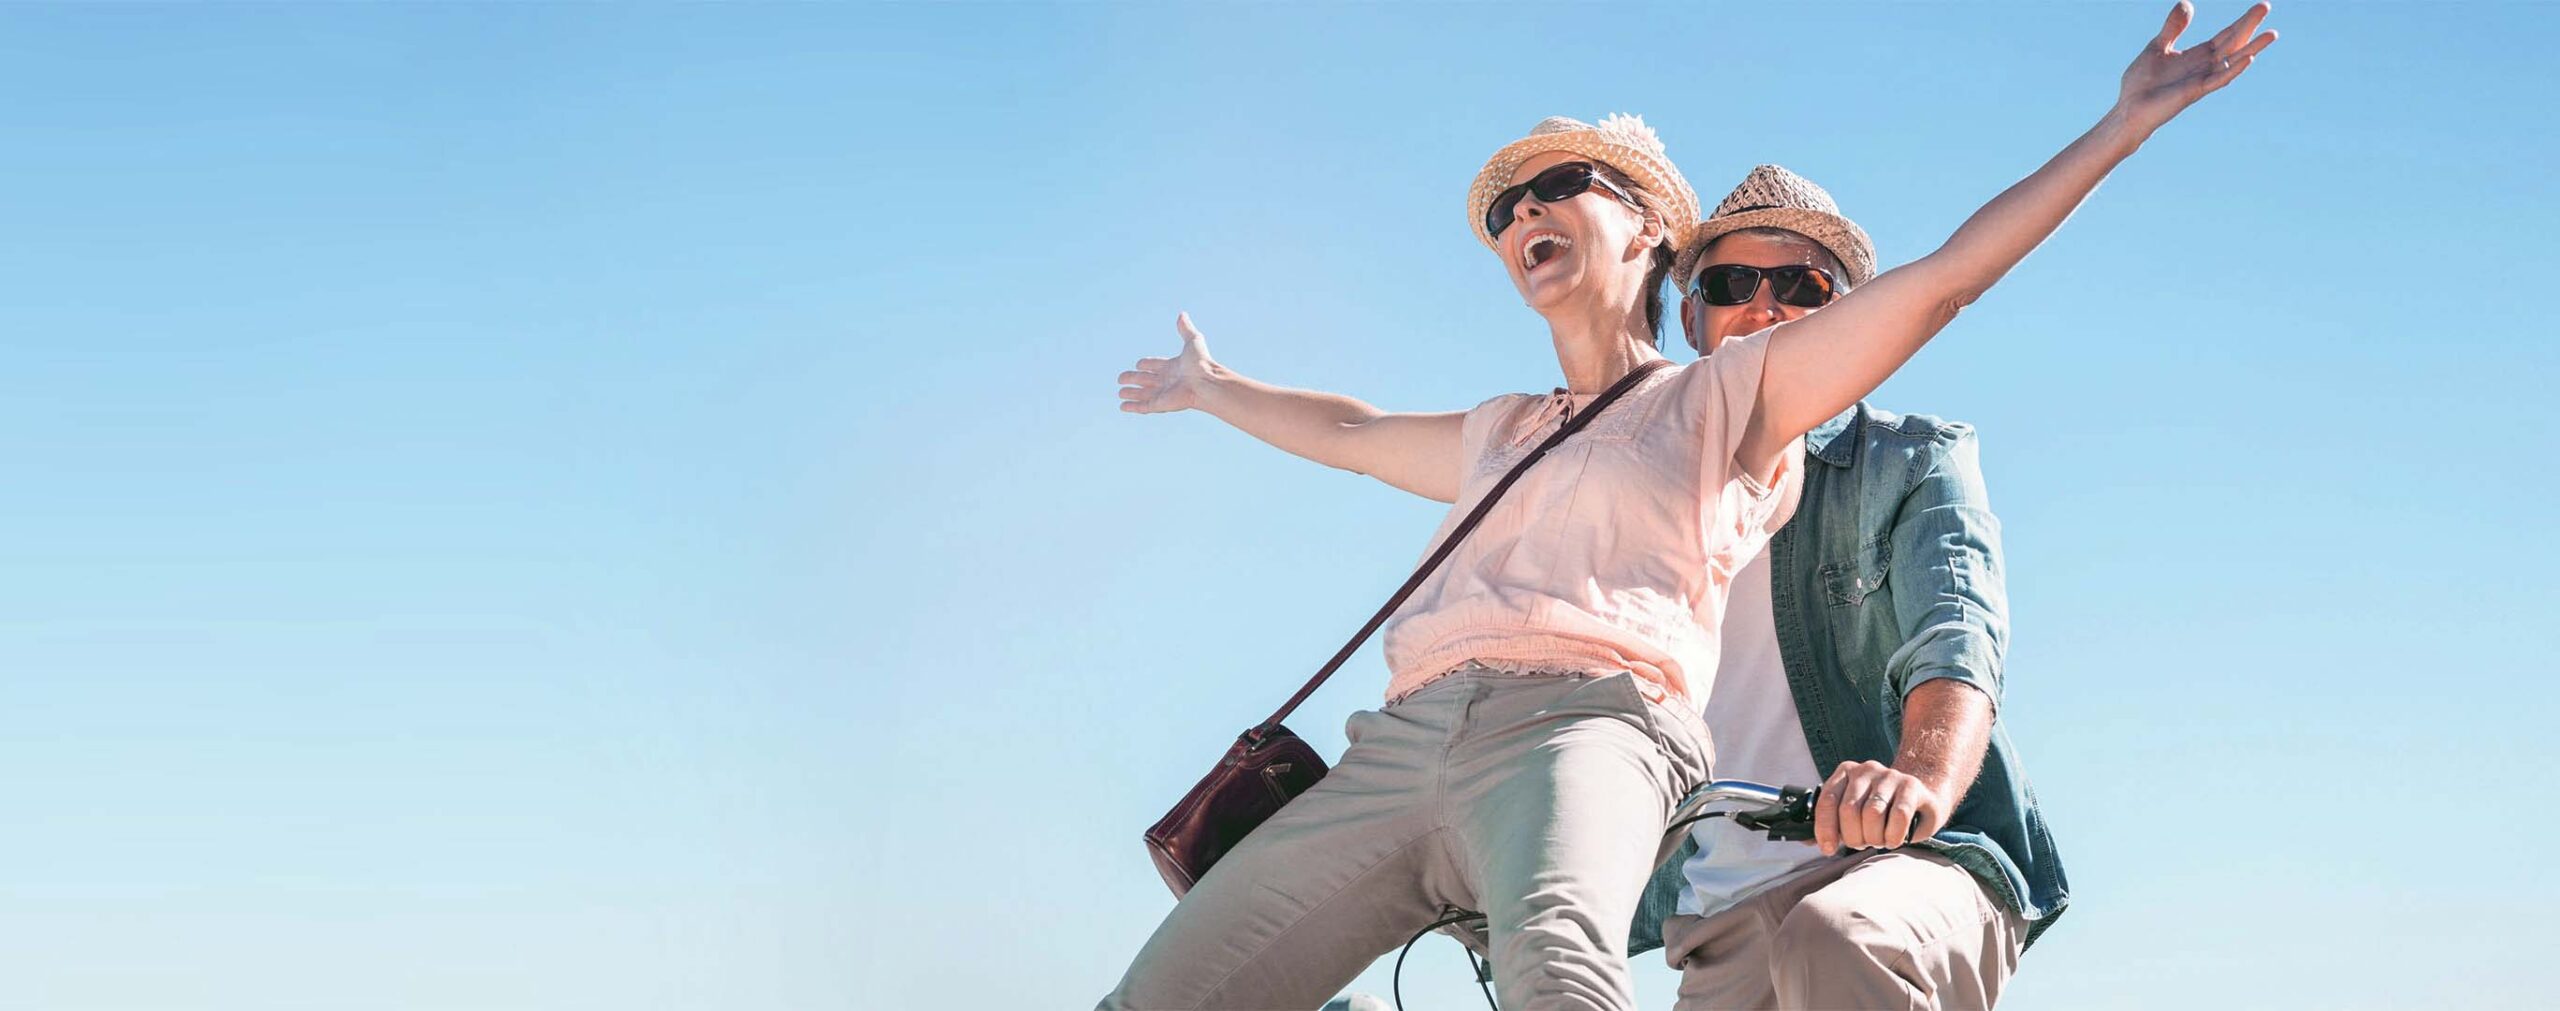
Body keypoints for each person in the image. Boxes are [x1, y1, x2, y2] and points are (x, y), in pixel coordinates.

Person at [1101, 6, 2273, 1007]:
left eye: (1562, 185)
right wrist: (1214, 388)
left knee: (1562, 975)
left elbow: (1944, 288)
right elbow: (1351, 433)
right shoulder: (1507, 427)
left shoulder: (1730, 403)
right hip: (1408, 739)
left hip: (1588, 728)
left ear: (1647, 227)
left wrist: (2118, 128)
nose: (1524, 212)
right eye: (1508, 207)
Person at [1622, 164, 2065, 1011]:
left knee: (1836, 936)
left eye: (1802, 285)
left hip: (1907, 866)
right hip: (1722, 911)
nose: (1766, 304)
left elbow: (1956, 639)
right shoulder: (1639, 494)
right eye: (1731, 283)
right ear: (1690, 316)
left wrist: (1919, 782)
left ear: (1850, 318)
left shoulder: (1911, 459)